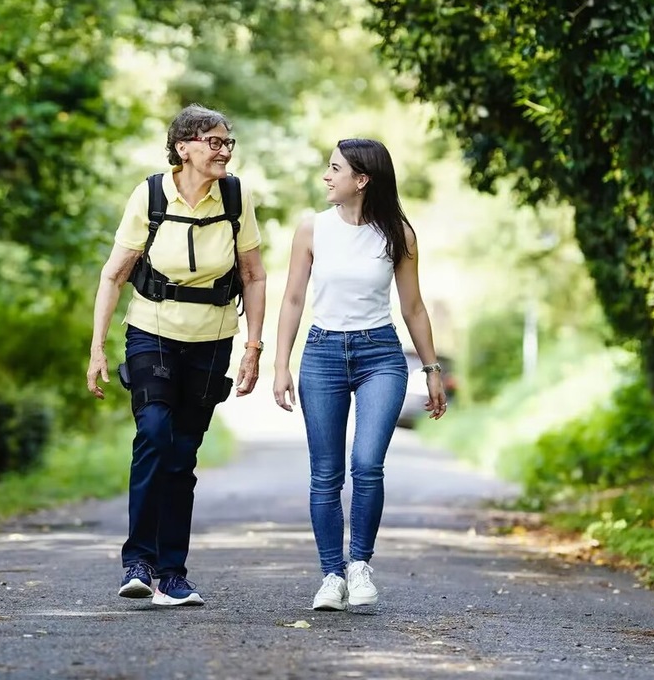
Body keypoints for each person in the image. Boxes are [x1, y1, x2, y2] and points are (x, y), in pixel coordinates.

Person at [86, 103, 267, 607]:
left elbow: (253, 276)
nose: (224, 151)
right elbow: (113, 274)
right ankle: (139, 561)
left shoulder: (235, 197)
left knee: (183, 454)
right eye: (214, 142)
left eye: (228, 142)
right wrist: (97, 348)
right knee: (154, 433)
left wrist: (254, 348)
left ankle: (172, 574)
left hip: (212, 339)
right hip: (152, 331)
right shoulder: (150, 195)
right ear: (183, 147)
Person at [272, 138, 447, 611]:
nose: (326, 177)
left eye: (335, 169)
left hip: (381, 357)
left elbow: (412, 306)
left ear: (361, 179)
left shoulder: (399, 235)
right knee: (325, 474)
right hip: (323, 354)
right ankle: (331, 574)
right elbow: (292, 300)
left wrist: (431, 369)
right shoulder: (312, 229)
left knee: (367, 464)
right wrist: (280, 363)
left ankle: (359, 565)